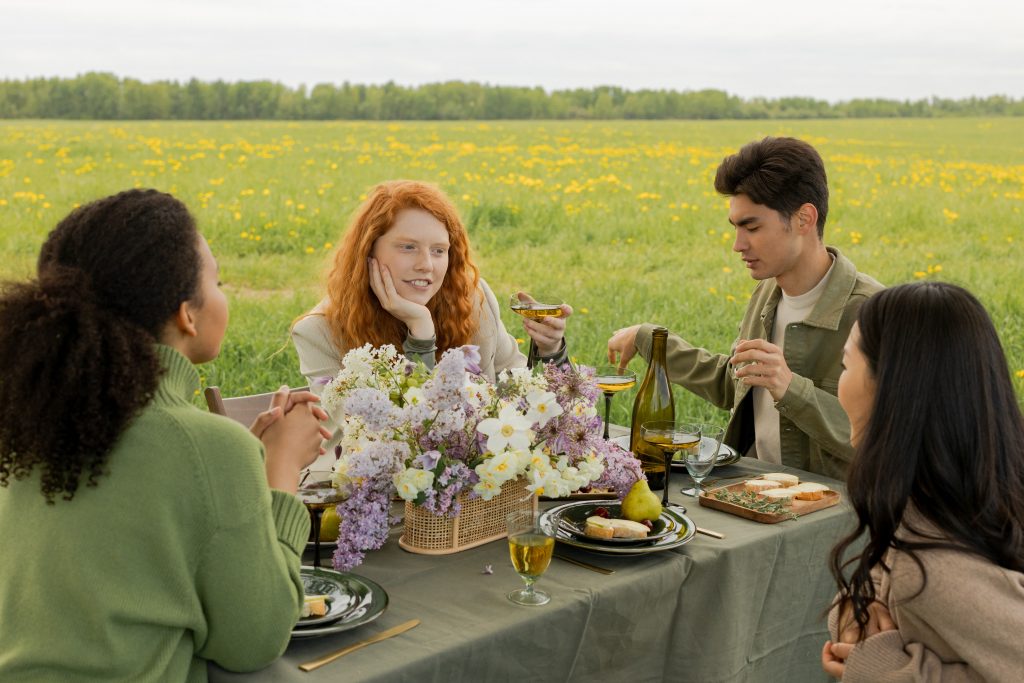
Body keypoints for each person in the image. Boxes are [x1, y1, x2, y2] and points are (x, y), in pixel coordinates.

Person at [0, 189, 331, 680]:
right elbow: (254, 640)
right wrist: (280, 474)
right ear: (187, 314)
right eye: (217, 281)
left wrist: (248, 471)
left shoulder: (32, 425)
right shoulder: (209, 447)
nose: (223, 292)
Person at [607, 137, 882, 478]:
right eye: (735, 228)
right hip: (758, 491)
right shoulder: (767, 292)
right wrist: (650, 340)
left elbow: (885, 439)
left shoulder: (874, 314)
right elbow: (736, 382)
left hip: (835, 511)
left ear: (804, 219)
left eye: (752, 227)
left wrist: (791, 388)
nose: (738, 245)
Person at [822, 282, 1024, 681]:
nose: (839, 384)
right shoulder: (961, 490)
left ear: (890, 390)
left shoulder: (931, 568)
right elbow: (881, 576)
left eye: (846, 366)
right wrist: (851, 613)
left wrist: (887, 668)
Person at [292, 180, 572, 453]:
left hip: (477, 489)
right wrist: (420, 333)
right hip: (366, 491)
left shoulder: (472, 300)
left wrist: (550, 351)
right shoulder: (318, 332)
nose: (425, 265)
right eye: (408, 247)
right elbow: (395, 444)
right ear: (368, 251)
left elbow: (525, 398)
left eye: (438, 251)